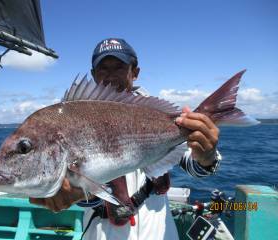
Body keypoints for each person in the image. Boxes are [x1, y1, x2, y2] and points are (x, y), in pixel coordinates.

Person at [30, 38, 221, 239]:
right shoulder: (74, 117)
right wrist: (75, 192)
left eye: (119, 67)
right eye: (103, 69)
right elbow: (82, 187)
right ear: (94, 75)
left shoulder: (156, 117)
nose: (110, 75)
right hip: (101, 232)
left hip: (156, 230)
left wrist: (207, 156)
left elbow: (195, 166)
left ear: (135, 72)